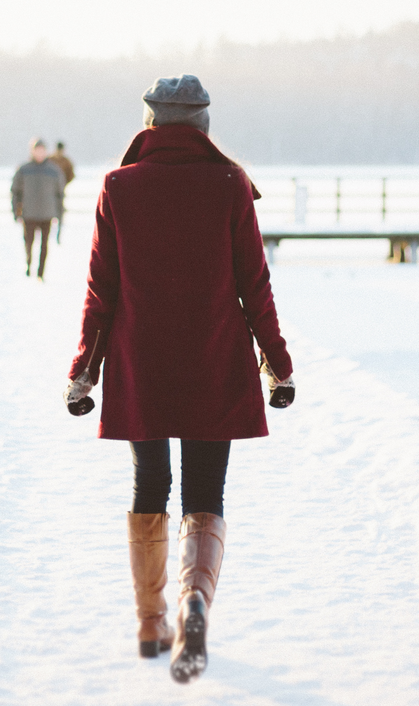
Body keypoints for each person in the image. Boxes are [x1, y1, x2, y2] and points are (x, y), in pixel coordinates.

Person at [64, 75, 296, 684]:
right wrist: (278, 360)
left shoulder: (118, 186)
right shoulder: (229, 186)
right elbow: (255, 284)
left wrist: (84, 369)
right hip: (214, 356)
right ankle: (196, 604)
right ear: (202, 126)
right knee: (205, 495)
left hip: (141, 359)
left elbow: (100, 289)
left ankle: (150, 622)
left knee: (149, 486)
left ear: (150, 124)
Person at [10, 139, 65, 279]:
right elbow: (15, 191)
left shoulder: (53, 170)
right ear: (32, 151)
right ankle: (29, 263)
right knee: (29, 242)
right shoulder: (24, 170)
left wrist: (59, 213)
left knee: (44, 244)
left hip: (47, 213)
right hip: (29, 213)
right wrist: (15, 210)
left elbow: (60, 193)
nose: (40, 153)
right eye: (37, 150)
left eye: (42, 150)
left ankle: (41, 272)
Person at [50, 141, 75, 243]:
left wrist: (63, 183)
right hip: (49, 191)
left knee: (60, 213)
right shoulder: (50, 160)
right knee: (49, 213)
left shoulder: (66, 161)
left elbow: (71, 175)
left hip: (60, 192)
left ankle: (58, 236)